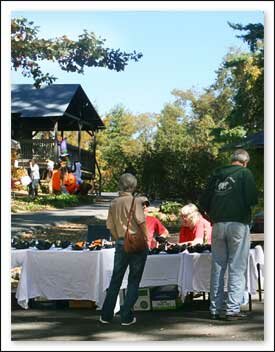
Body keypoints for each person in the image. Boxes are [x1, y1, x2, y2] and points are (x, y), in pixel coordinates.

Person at [200, 149, 258, 321]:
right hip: (238, 224)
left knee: (218, 267)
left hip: (218, 225)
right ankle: (232, 309)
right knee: (236, 267)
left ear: (232, 160)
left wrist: (213, 217)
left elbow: (203, 202)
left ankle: (214, 309)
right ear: (245, 162)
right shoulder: (245, 173)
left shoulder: (216, 174)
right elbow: (252, 200)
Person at [99, 173, 149, 326]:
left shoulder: (114, 203)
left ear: (120, 185)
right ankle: (126, 316)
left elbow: (110, 226)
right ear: (133, 186)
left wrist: (119, 238)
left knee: (116, 280)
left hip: (121, 243)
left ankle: (106, 315)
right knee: (134, 280)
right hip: (137, 244)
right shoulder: (135, 202)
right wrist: (147, 239)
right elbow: (141, 222)